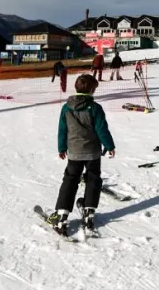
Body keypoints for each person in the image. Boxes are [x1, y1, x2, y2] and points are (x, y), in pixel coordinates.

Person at [47, 74, 116, 235]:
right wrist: (109, 145)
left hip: (75, 152)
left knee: (71, 180)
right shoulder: (95, 108)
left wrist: (62, 148)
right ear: (91, 90)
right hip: (92, 152)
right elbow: (101, 129)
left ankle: (62, 214)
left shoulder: (66, 107)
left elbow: (62, 130)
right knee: (93, 179)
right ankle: (89, 212)